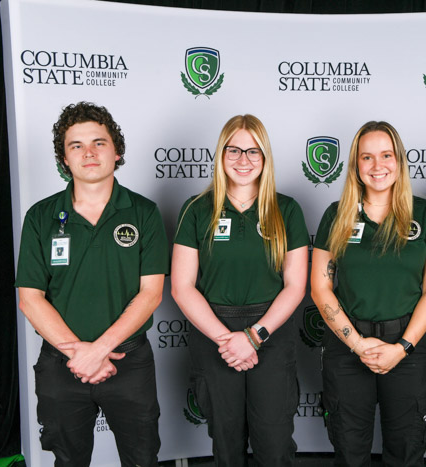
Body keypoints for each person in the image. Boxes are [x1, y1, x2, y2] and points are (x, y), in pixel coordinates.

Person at [15, 102, 169, 466]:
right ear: (64, 158)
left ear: (117, 151)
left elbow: (151, 294)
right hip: (61, 365)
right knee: (68, 461)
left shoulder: (144, 212)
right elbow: (30, 299)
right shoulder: (40, 216)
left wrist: (99, 350)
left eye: (99, 143)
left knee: (142, 459)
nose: (88, 153)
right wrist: (79, 354)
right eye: (76, 145)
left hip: (128, 363)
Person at [171, 114, 309, 466]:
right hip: (214, 334)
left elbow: (295, 286)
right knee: (227, 446)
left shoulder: (286, 210)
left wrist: (253, 336)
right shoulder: (196, 210)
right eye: (234, 150)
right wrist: (226, 339)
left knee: (274, 445)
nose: (243, 161)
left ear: (265, 158)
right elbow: (182, 287)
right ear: (221, 154)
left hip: (271, 333)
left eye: (253, 152)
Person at [310, 121, 426, 467]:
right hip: (348, 348)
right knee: (349, 451)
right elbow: (320, 287)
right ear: (355, 166)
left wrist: (401, 349)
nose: (377, 166)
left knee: (406, 452)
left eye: (386, 155)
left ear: (399, 160)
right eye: (367, 157)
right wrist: (357, 344)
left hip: (408, 347)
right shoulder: (337, 215)